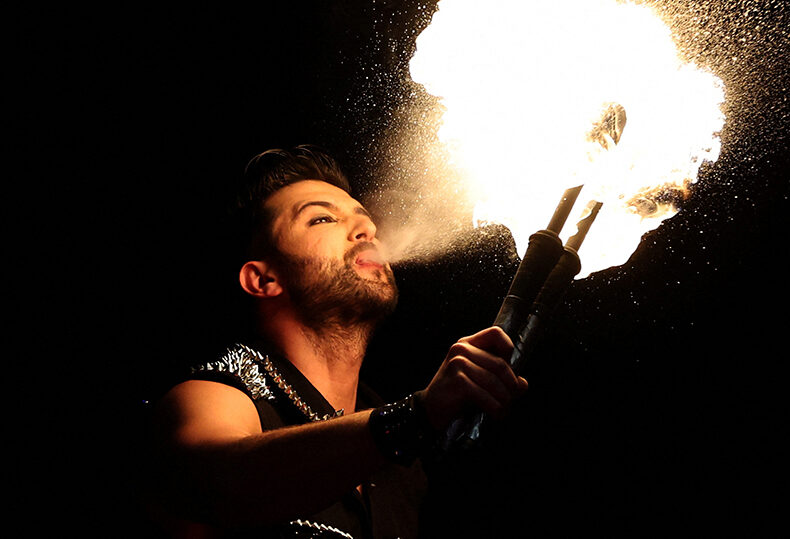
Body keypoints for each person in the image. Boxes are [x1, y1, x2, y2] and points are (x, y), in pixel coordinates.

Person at [149, 145, 527, 538]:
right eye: (322, 218)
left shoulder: (403, 467)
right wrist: (414, 418)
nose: (367, 231)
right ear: (264, 279)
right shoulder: (217, 394)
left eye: (365, 221)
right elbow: (221, 483)